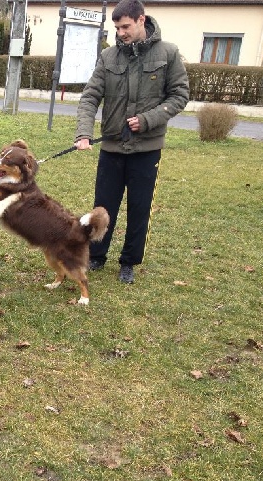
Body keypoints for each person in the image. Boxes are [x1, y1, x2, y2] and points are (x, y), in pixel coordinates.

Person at [74, 0, 189, 284]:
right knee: (103, 206)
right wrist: (83, 133)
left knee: (140, 207)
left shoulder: (168, 53)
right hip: (112, 147)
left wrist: (148, 119)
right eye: (117, 27)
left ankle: (129, 261)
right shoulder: (108, 57)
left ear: (141, 20)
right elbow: (90, 96)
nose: (121, 32)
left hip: (147, 149)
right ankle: (97, 255)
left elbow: (179, 96)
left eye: (125, 26)